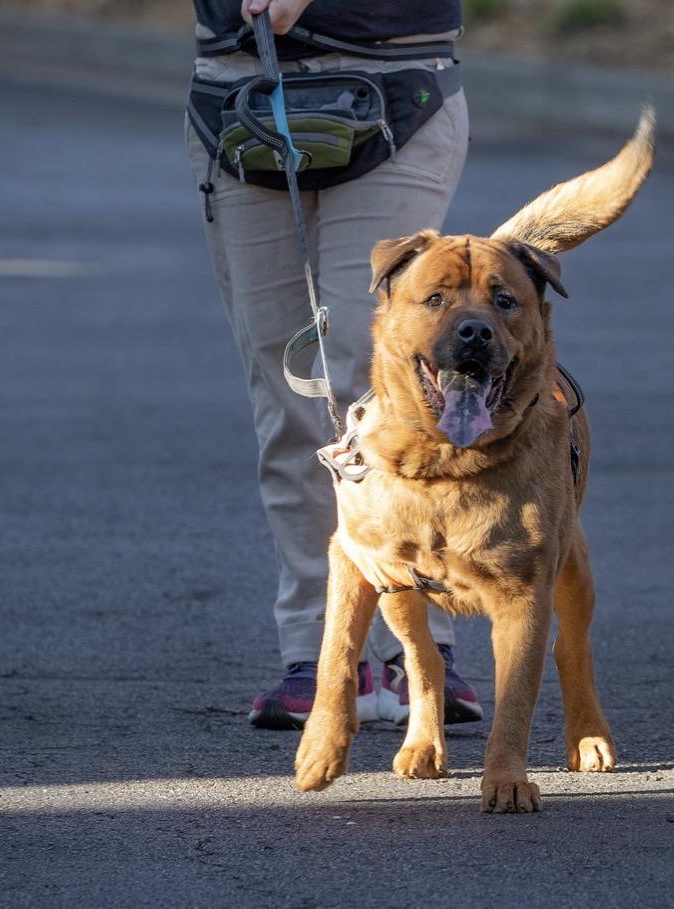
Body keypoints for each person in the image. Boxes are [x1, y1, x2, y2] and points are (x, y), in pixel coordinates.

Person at [185, 0, 482, 729]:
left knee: (382, 378)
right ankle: (319, 654)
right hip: (237, 89)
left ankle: (420, 650)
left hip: (394, 83)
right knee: (285, 388)